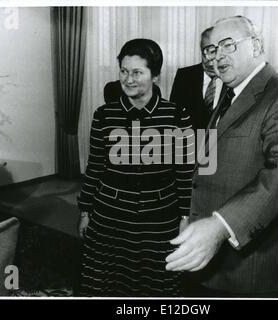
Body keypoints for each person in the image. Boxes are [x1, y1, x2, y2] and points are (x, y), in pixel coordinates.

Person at [165, 16, 278, 297]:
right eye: (211, 49)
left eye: (227, 45)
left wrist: (221, 226)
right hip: (215, 255)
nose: (217, 56)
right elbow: (208, 162)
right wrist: (192, 214)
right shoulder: (229, 95)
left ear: (256, 46)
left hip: (257, 262)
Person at [77, 38, 194, 297]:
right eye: (124, 71)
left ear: (155, 76)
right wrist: (85, 211)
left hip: (160, 219)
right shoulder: (104, 115)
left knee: (156, 285)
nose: (128, 79)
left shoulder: (177, 115)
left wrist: (185, 218)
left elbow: (184, 175)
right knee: (106, 283)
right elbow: (95, 167)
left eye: (137, 72)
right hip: (110, 216)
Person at [170, 27, 226, 130]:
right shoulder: (184, 76)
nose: (209, 63)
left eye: (213, 53)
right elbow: (174, 120)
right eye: (205, 53)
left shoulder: (233, 79)